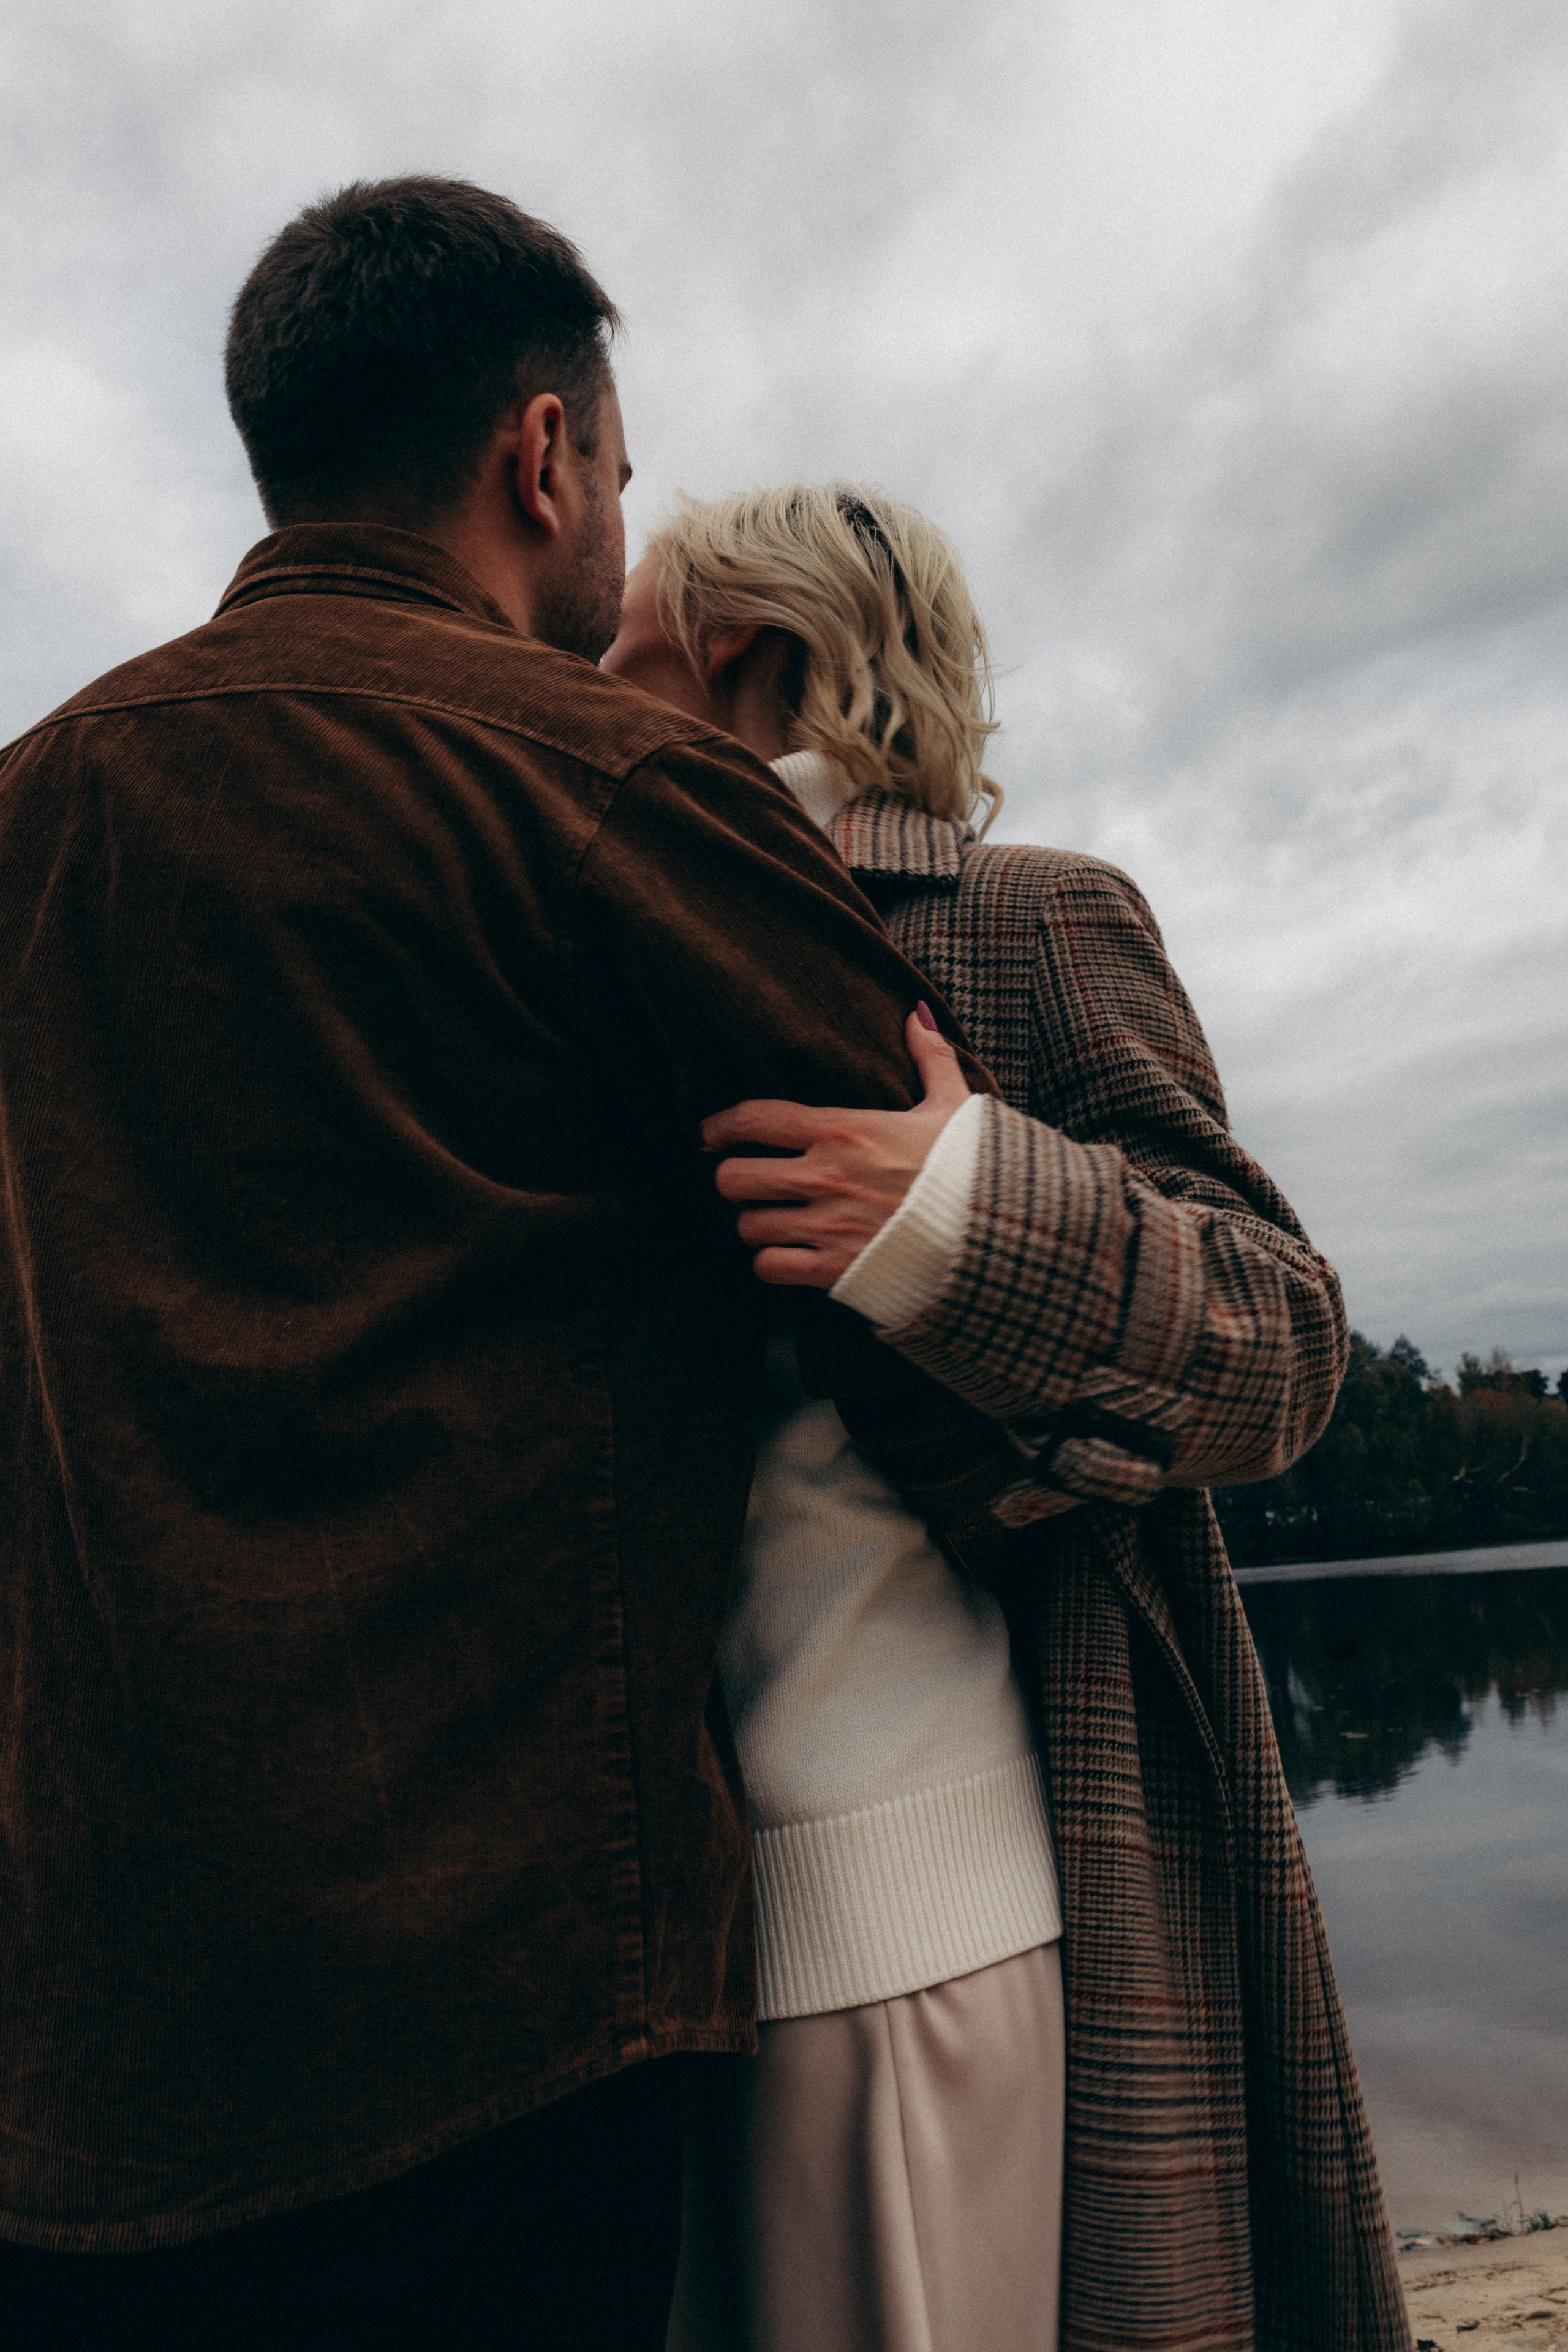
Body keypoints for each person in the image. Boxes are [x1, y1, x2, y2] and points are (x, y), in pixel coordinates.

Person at [0, 182, 1000, 2352]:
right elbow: (942, 1335)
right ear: (541, 457)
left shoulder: (28, 809)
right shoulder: (618, 787)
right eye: (621, 480)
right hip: (505, 2018)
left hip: (74, 2067)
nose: (620, 532)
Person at [601, 484, 1413, 2352]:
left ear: (746, 649)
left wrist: (961, 1211)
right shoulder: (584, 950)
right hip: (629, 1973)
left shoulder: (1026, 921)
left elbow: (1284, 1341)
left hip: (915, 1921)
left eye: (621, 640)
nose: (585, 673)